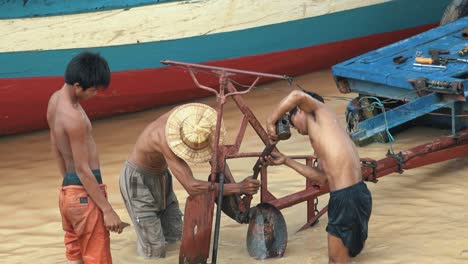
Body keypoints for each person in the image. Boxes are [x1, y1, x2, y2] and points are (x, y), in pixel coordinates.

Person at [120, 102, 260, 259]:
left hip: (162, 177)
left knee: (176, 238)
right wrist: (239, 187)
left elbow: (217, 158)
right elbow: (191, 187)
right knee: (154, 249)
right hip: (138, 182)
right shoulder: (162, 137)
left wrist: (236, 194)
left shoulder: (196, 121)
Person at [262, 90, 372, 263]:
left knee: (336, 261)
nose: (295, 129)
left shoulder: (319, 112)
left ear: (300, 110)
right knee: (345, 259)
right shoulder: (327, 131)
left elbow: (297, 95)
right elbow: (322, 179)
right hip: (357, 194)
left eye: (291, 122)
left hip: (346, 198)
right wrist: (286, 161)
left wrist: (270, 122)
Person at [47, 51, 128, 264]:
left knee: (76, 255)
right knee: (98, 258)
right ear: (77, 86)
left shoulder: (54, 100)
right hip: (85, 194)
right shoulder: (74, 117)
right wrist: (107, 210)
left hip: (68, 193)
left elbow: (55, 144)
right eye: (93, 90)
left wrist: (68, 185)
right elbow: (83, 169)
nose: (94, 94)